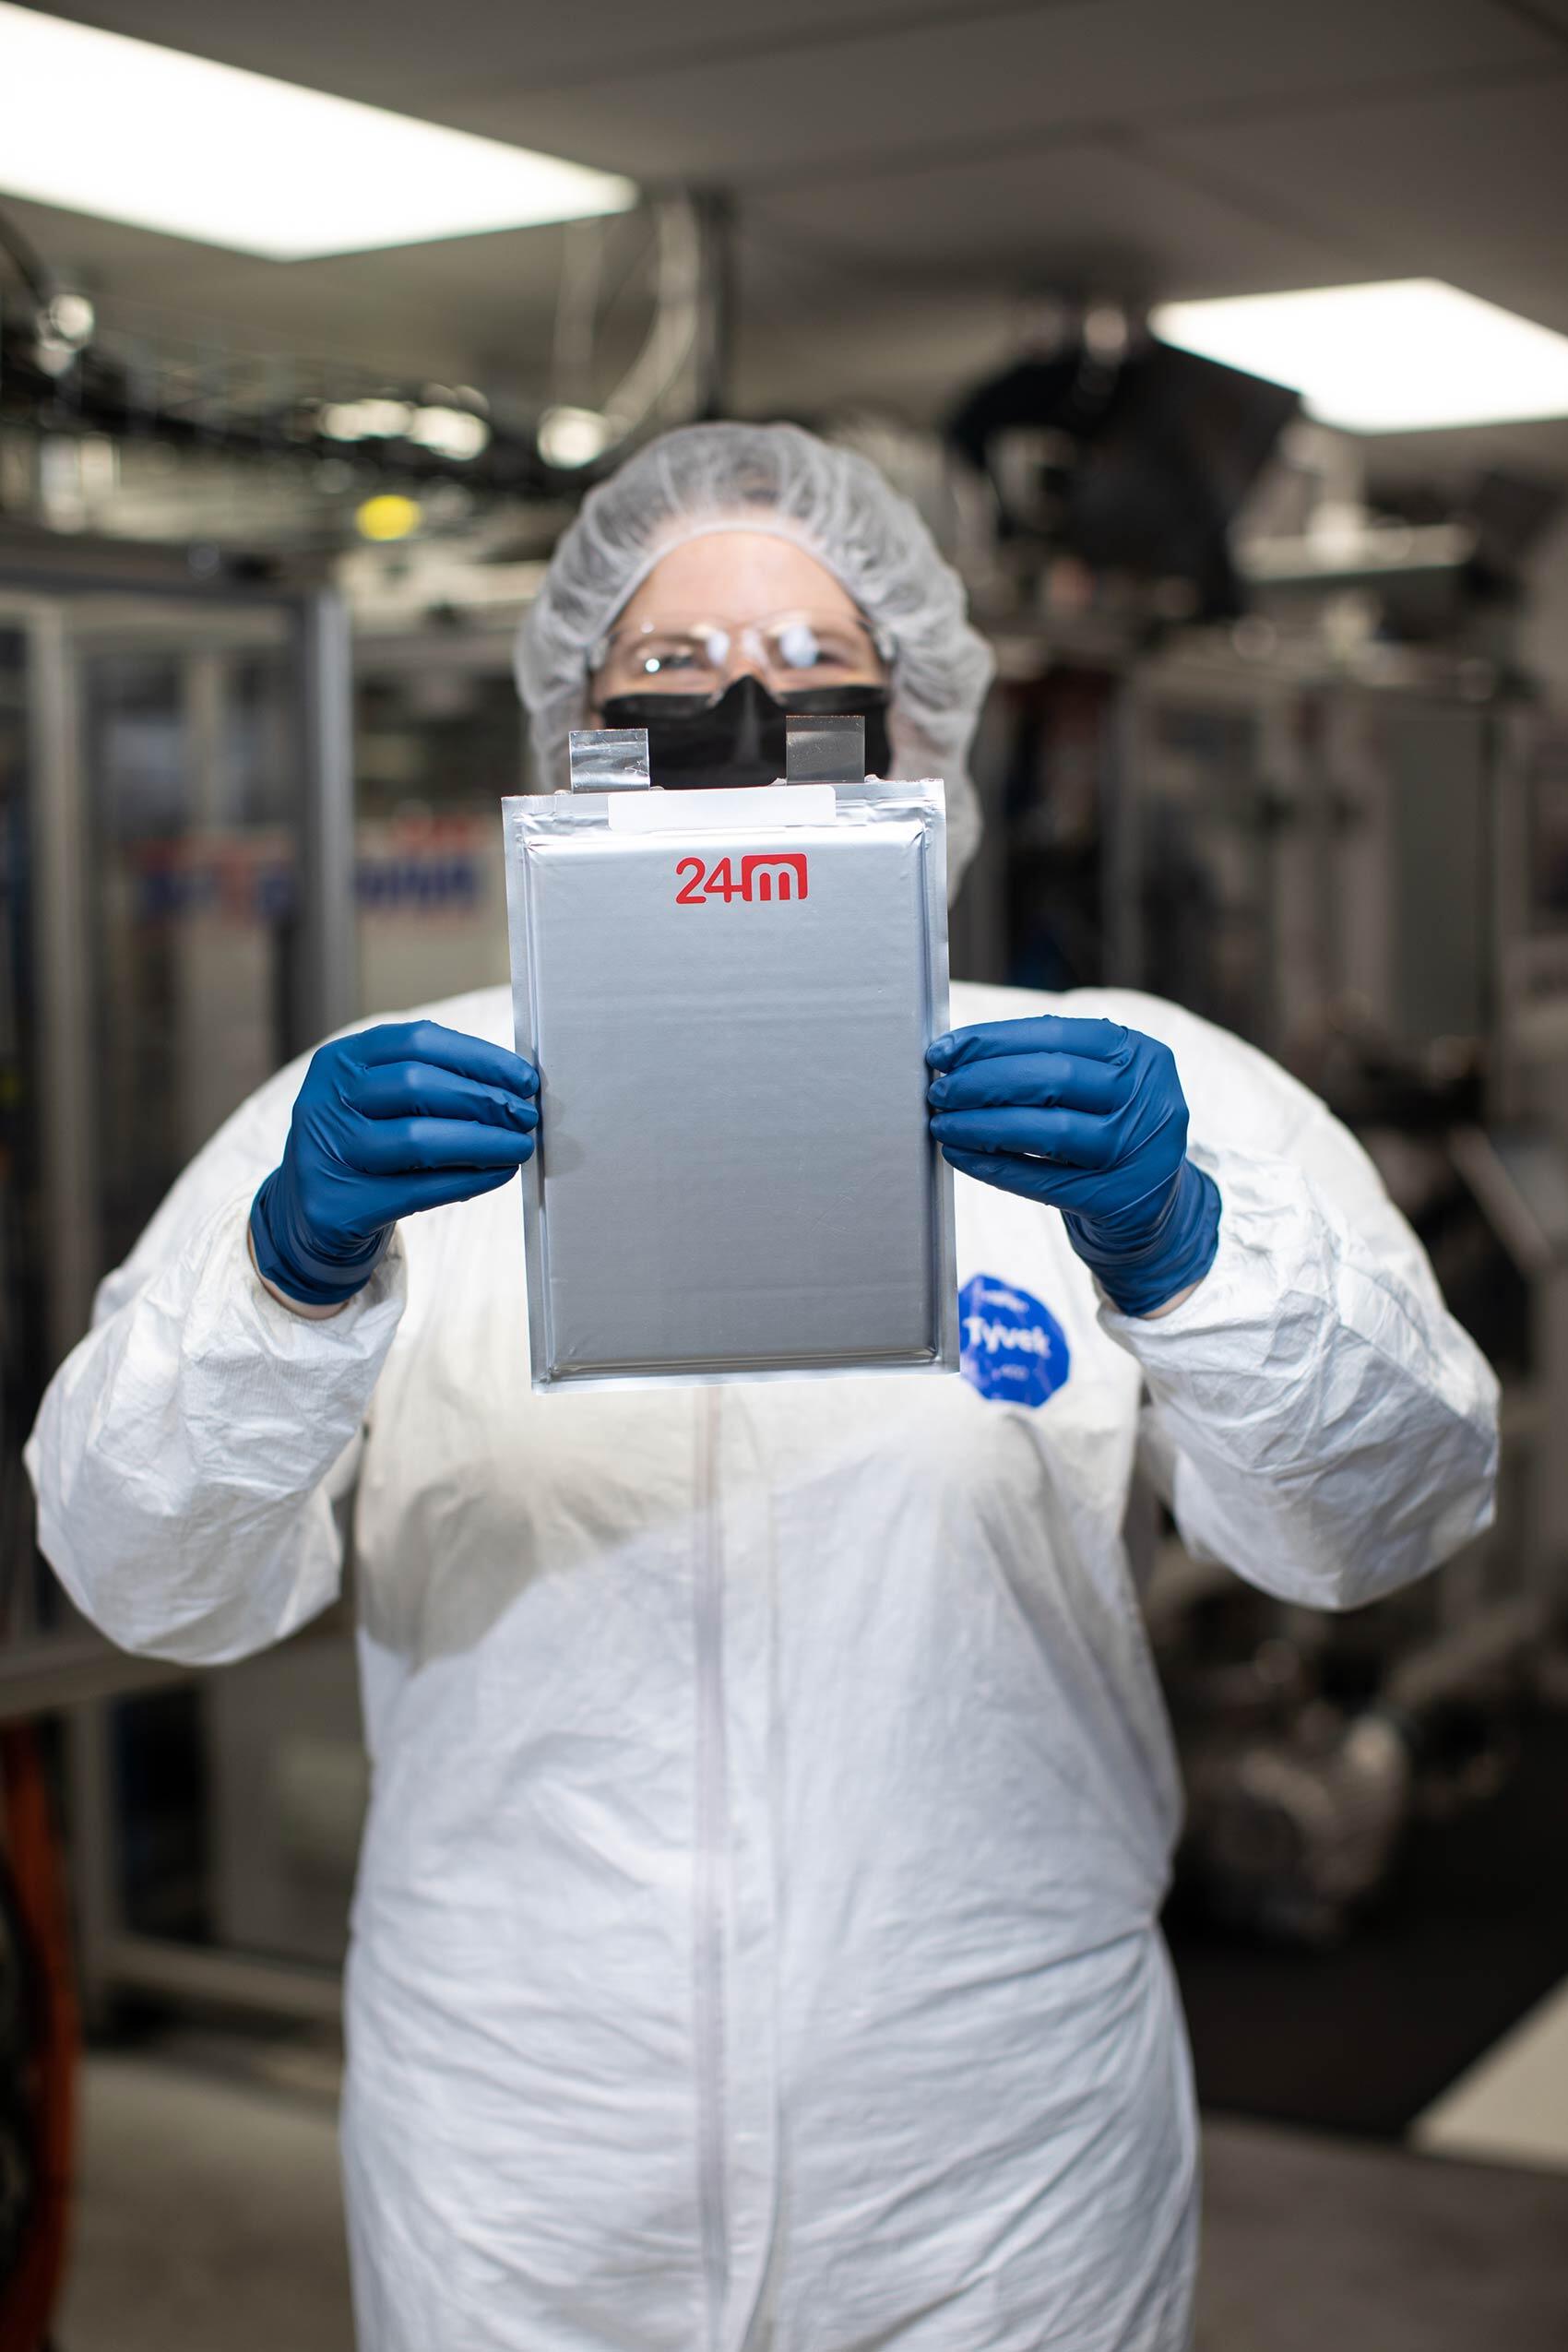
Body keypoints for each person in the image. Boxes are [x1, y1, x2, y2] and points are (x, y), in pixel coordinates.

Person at [28, 423, 1496, 2352]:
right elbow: (146, 1576)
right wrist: (289, 1277)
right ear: (575, 734)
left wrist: (1185, 1245)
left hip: (989, 2155)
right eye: (668, 678)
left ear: (921, 739)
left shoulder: (1126, 1093)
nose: (743, 719)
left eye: (817, 682)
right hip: (524, 2155)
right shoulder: (386, 1114)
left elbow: (1377, 1523)